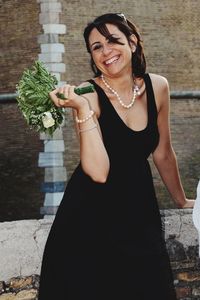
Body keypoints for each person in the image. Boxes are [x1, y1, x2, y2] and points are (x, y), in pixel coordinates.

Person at [38, 13, 195, 300]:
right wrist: (82, 111)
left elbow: (162, 152)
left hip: (138, 210)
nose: (106, 51)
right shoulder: (88, 96)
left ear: (132, 43)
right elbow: (98, 172)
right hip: (89, 217)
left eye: (113, 41)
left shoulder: (158, 86)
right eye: (96, 47)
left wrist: (181, 200)